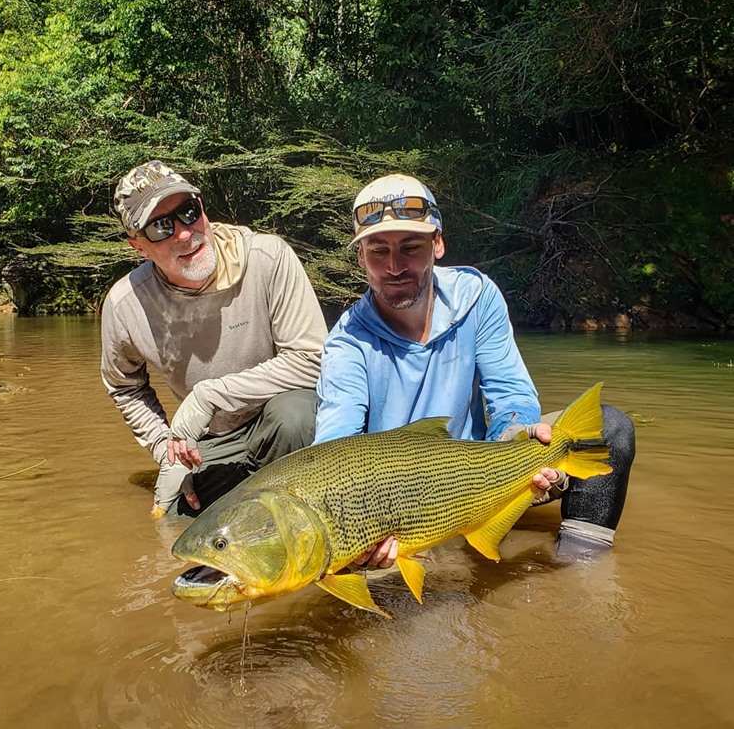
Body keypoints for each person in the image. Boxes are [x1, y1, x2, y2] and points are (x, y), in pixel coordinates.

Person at [314, 173, 635, 567]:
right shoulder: (346, 341)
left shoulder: (477, 296)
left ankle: (579, 570)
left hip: (484, 473)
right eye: (378, 251)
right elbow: (332, 449)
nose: (394, 266)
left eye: (410, 248)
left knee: (610, 427)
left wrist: (518, 435)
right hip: (396, 509)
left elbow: (510, 394)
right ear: (361, 257)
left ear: (438, 245)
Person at [102, 160, 327, 518]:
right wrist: (167, 449)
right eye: (161, 227)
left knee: (297, 415)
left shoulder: (268, 258)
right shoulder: (124, 305)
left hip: (281, 422)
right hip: (211, 440)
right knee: (175, 525)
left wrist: (212, 394)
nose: (184, 233)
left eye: (189, 212)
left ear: (203, 208)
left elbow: (312, 360)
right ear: (138, 247)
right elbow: (126, 388)